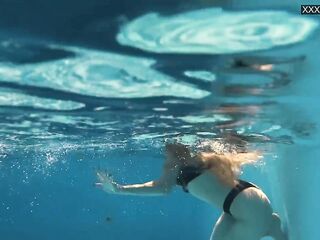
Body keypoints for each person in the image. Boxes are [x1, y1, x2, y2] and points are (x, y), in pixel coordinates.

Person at [96, 142, 287, 240]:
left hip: (247, 210)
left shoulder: (176, 155)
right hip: (249, 199)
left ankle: (269, 226)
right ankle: (270, 224)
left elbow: (162, 188)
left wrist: (118, 189)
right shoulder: (201, 151)